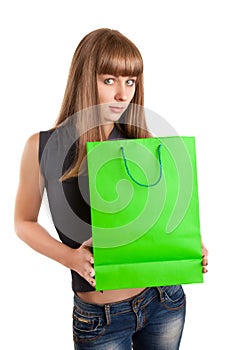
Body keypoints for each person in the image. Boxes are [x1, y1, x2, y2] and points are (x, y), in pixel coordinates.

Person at [14, 28, 208, 350]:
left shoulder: (143, 145)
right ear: (84, 79)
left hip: (163, 299)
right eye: (109, 80)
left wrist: (188, 245)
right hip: (99, 317)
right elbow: (23, 222)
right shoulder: (42, 147)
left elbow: (160, 219)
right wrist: (70, 258)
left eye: (130, 82)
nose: (123, 94)